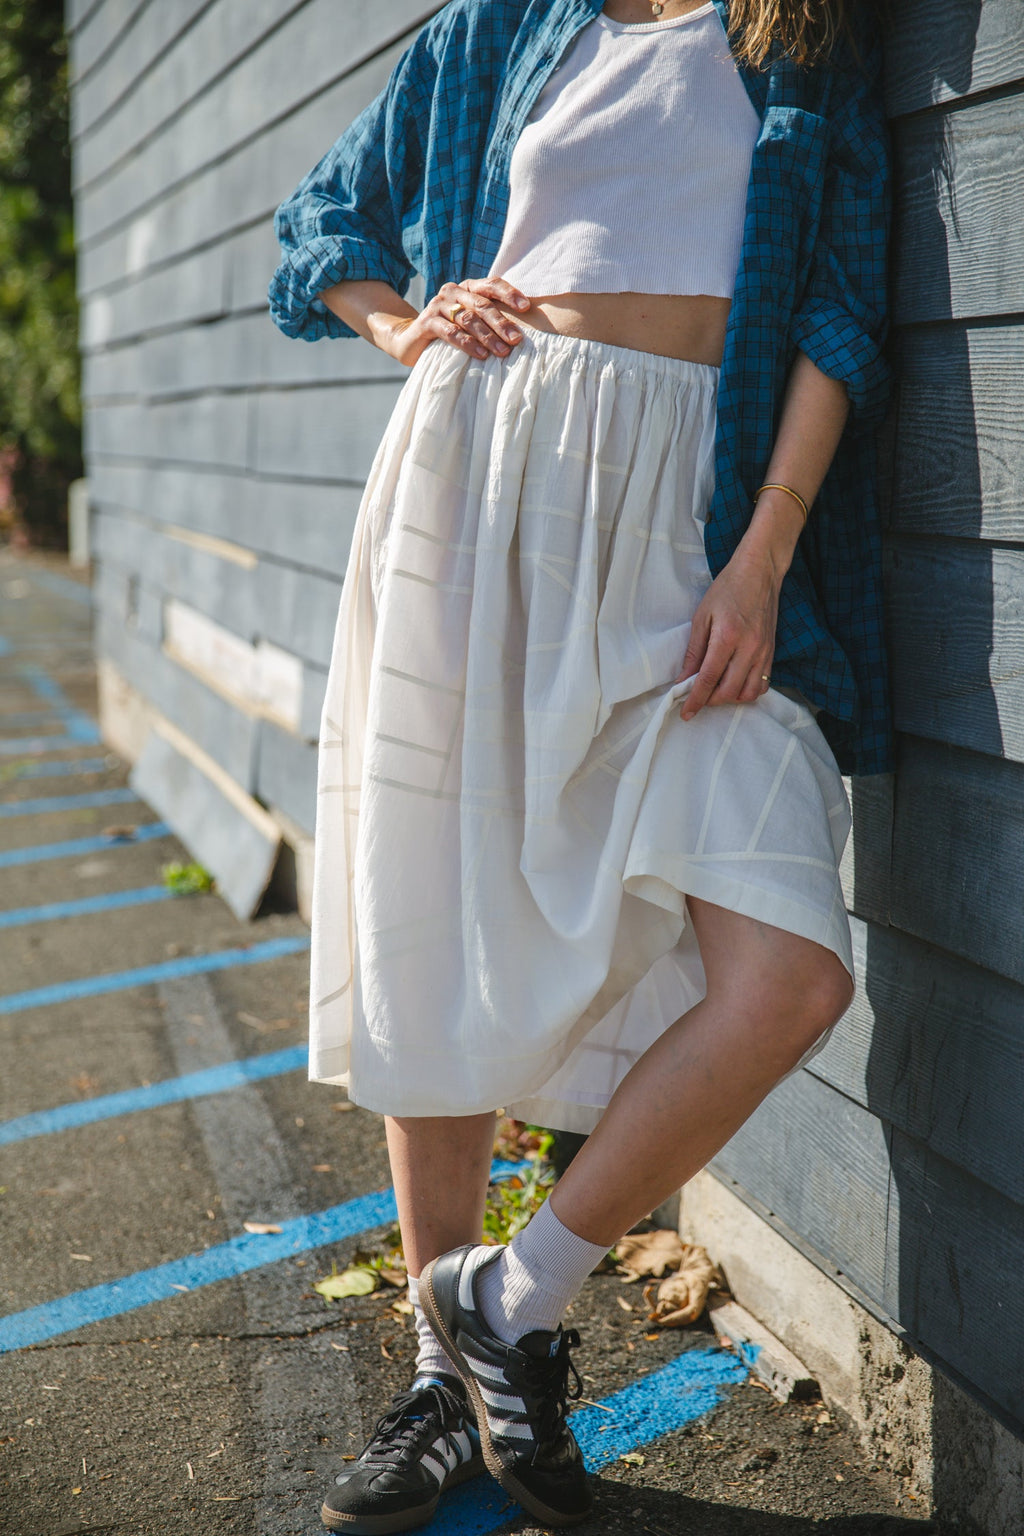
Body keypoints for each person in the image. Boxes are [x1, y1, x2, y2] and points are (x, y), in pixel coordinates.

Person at [269, 0, 892, 1528]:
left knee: (792, 974)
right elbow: (321, 223)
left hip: (690, 532)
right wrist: (405, 325)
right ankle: (447, 1381)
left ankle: (514, 1297)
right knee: (443, 916)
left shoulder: (800, 30)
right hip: (478, 499)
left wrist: (763, 558)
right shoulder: (504, 26)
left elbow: (838, 311)